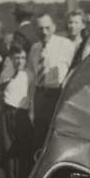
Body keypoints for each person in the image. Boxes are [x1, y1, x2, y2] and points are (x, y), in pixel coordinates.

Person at [0, 41, 35, 178]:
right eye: (17, 58)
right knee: (6, 149)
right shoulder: (5, 74)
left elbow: (32, 97)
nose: (20, 61)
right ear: (11, 58)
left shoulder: (29, 74)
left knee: (22, 150)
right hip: (7, 114)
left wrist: (31, 117)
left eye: (23, 58)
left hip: (22, 115)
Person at [28, 14, 74, 151]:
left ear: (54, 27)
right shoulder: (34, 48)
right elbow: (32, 75)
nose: (44, 32)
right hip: (40, 95)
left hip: (57, 94)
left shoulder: (65, 44)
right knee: (39, 135)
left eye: (47, 28)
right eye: (40, 28)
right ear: (35, 30)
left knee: (56, 135)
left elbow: (73, 69)